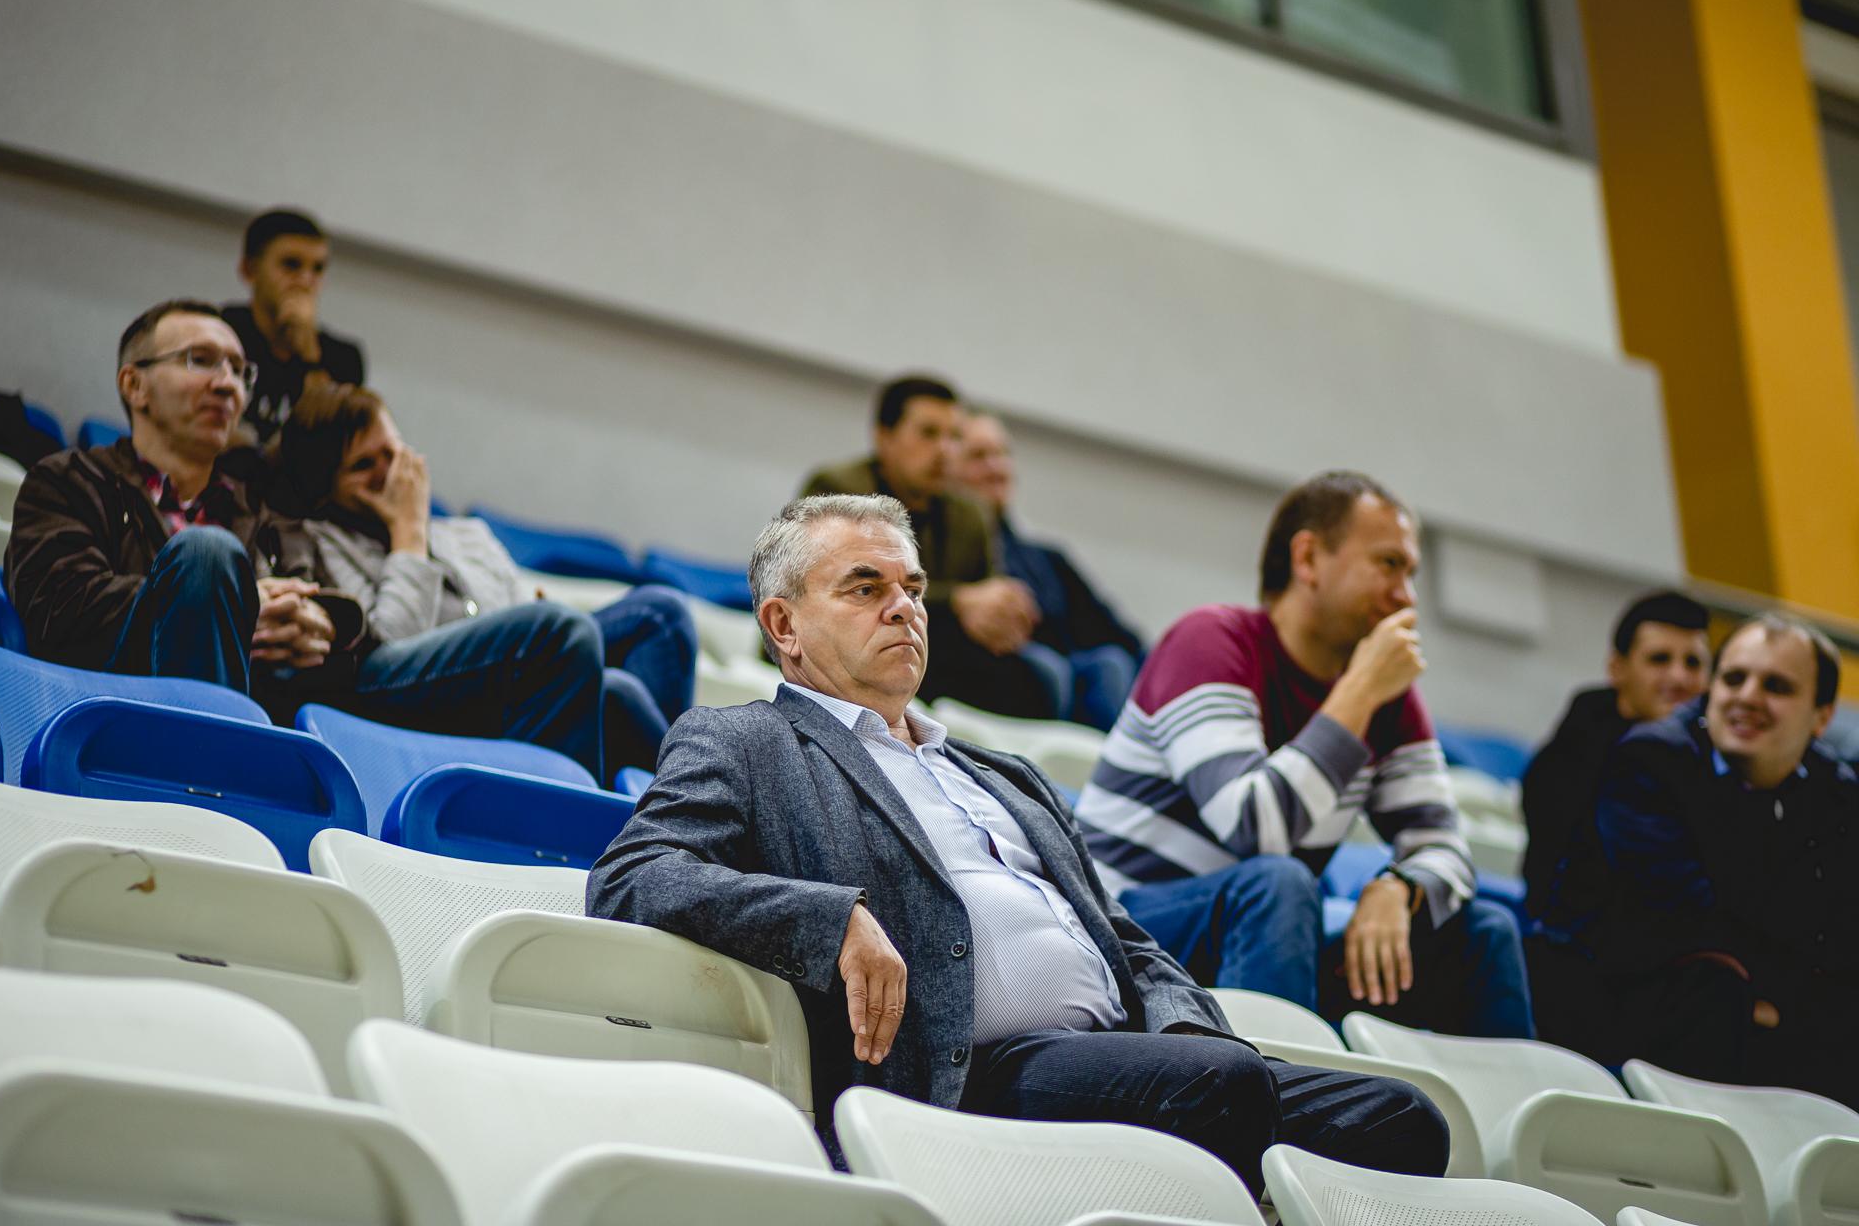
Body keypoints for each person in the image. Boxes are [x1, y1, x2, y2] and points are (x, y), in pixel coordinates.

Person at [586, 494, 1449, 1187]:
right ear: (783, 626)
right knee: (1222, 1086)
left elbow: (1128, 943)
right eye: (865, 589)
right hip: (966, 1074)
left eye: (914, 589)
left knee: (1403, 1119)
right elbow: (632, 876)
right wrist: (830, 920)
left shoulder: (1006, 774)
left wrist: (1187, 1027)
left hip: (1130, 1057)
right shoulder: (746, 741)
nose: (903, 609)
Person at [1075, 471, 1533, 1038]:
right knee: (1279, 884)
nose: (1407, 597)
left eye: (1410, 574)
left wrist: (1400, 887)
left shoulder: (1386, 696)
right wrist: (1358, 693)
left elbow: (1445, 846)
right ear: (1309, 558)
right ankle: (1273, 1089)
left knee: (1484, 931)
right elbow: (1254, 828)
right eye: (1389, 565)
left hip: (1264, 931)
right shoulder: (1210, 642)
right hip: (1118, 932)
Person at [272, 381, 697, 779]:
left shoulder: (466, 534)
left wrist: (531, 614)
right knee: (592, 665)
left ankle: (681, 802)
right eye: (363, 465)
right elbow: (391, 645)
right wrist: (409, 533)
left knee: (660, 614)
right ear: (324, 486)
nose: (390, 475)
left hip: (517, 677)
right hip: (420, 691)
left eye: (393, 454)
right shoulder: (320, 541)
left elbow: (521, 616)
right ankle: (697, 792)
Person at [1580, 613, 1858, 1106]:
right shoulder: (1649, 761)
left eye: (1776, 686)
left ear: (1821, 716)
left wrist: (1790, 1004)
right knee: (1716, 988)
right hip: (1649, 996)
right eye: (1733, 678)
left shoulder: (1838, 794)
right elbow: (1686, 918)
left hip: (1775, 1004)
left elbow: (1839, 928)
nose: (1747, 696)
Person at [6, 299, 355, 690]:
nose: (227, 385)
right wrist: (231, 606)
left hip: (265, 708)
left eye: (239, 371)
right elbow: (59, 609)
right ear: (135, 386)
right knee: (207, 551)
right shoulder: (67, 482)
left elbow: (323, 604)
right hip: (115, 704)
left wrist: (325, 621)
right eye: (200, 360)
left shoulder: (265, 512)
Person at [801, 375, 1062, 720]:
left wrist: (1001, 612)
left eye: (954, 437)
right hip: (839, 649)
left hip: (930, 652)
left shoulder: (970, 514)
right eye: (928, 434)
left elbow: (985, 604)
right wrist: (957, 601)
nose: (944, 450)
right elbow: (847, 593)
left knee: (1035, 680)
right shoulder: (840, 491)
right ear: (884, 437)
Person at [1520, 592, 1710, 1055]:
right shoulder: (1569, 760)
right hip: (1578, 967)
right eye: (1660, 659)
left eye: (1693, 663)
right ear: (1617, 668)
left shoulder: (1721, 761)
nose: (1679, 678)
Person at [954, 411, 1145, 731]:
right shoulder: (942, 558)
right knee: (1052, 669)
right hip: (999, 694)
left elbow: (1117, 634)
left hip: (1076, 691)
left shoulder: (1047, 559)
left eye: (1002, 454)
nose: (995, 468)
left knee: (1111, 664)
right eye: (978, 456)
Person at [223, 208, 365, 445]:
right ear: (250, 270)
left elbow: (332, 444)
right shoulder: (220, 332)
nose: (305, 281)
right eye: (291, 265)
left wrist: (309, 353)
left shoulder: (343, 358)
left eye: (317, 269)